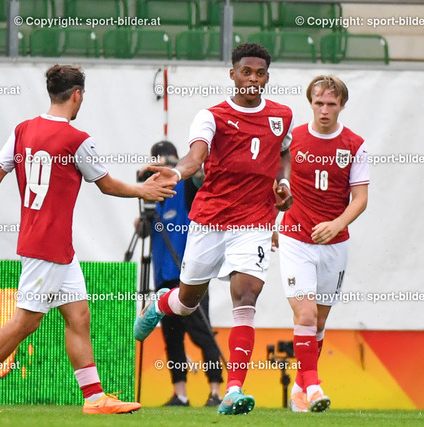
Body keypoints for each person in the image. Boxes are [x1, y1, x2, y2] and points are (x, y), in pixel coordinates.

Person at [0, 64, 175, 414]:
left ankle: (94, 398)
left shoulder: (23, 130)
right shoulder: (76, 140)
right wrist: (142, 189)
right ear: (77, 95)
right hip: (48, 246)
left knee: (78, 315)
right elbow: (106, 185)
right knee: (26, 321)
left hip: (52, 246)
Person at [133, 43, 294, 415]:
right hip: (210, 221)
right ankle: (161, 303)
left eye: (260, 73)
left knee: (246, 297)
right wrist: (176, 173)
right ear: (233, 74)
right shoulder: (212, 116)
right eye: (246, 72)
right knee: (187, 303)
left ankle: (233, 390)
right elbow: (195, 158)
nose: (252, 79)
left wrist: (283, 183)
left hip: (254, 222)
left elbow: (284, 152)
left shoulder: (282, 115)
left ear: (267, 77)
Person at [276, 75, 369, 412]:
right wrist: (271, 221)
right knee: (305, 312)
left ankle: (299, 390)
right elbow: (274, 184)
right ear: (310, 103)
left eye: (331, 104)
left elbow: (360, 199)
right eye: (319, 103)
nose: (324, 110)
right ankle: (315, 387)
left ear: (342, 105)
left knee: (317, 322)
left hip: (335, 244)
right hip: (295, 237)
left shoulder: (355, 145)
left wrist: (337, 224)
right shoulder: (292, 140)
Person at [141, 141, 223, 407]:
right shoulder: (153, 196)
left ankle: (215, 392)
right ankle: (181, 394)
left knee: (203, 333)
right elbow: (143, 231)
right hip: (163, 277)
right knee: (172, 338)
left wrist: (178, 170)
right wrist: (143, 202)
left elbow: (198, 176)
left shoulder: (185, 187)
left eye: (165, 165)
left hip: (188, 275)